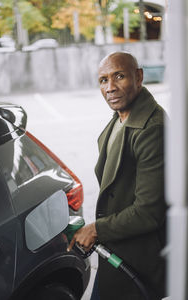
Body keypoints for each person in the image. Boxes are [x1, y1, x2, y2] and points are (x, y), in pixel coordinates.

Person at [68, 52, 167, 300]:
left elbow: (148, 212)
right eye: (103, 80)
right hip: (116, 253)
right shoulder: (121, 118)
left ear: (139, 76)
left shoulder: (152, 129)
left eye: (119, 76)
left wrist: (96, 229)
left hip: (137, 262)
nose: (110, 88)